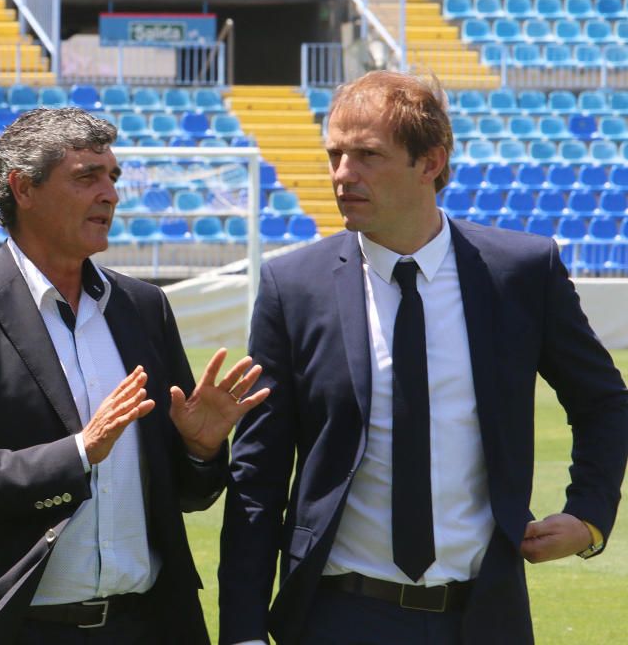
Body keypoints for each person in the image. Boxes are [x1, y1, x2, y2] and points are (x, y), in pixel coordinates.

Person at [218, 70, 628, 645]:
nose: (342, 175)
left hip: (485, 615)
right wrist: (241, 631)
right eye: (335, 154)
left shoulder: (520, 273)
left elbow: (603, 400)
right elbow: (257, 476)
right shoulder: (294, 287)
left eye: (366, 155)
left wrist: (589, 514)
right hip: (338, 616)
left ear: (430, 162)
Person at [0, 107, 269, 645]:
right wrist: (76, 454)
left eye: (113, 177)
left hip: (150, 625)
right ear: (22, 188)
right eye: (86, 177)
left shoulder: (144, 307)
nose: (110, 194)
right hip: (20, 628)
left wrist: (199, 450)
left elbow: (189, 495)